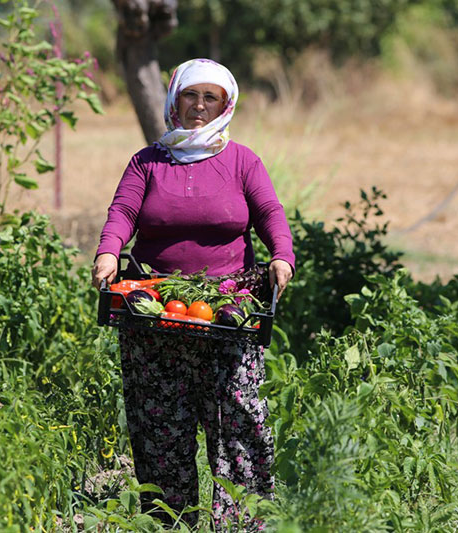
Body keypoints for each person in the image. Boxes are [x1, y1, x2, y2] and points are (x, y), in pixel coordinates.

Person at [92, 58, 295, 530]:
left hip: (229, 310)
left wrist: (281, 254)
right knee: (161, 428)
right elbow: (122, 211)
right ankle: (170, 522)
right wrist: (108, 252)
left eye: (211, 98)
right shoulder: (147, 162)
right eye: (190, 95)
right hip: (157, 307)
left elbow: (269, 210)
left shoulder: (242, 160)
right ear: (174, 100)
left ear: (226, 106)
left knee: (238, 422)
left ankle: (242, 524)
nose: (199, 106)